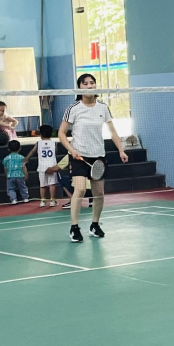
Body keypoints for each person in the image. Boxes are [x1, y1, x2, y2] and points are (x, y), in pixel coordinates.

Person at [58, 73, 128, 242]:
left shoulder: (103, 107)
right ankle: (74, 227)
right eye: (85, 83)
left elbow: (113, 132)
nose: (89, 86)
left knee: (99, 194)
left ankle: (95, 225)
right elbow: (61, 133)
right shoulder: (73, 108)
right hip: (79, 156)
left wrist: (121, 150)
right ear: (79, 88)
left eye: (92, 83)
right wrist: (71, 149)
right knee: (80, 189)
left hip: (98, 157)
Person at [27, 124, 63, 208]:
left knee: (42, 185)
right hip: (52, 166)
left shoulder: (38, 143)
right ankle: (52, 200)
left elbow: (32, 152)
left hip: (42, 167)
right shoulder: (54, 143)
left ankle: (43, 201)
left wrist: (26, 158)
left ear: (41, 134)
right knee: (52, 184)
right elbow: (56, 152)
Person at [2, 139, 30, 204]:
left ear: (8, 149)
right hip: (20, 175)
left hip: (10, 175)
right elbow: (23, 167)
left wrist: (6, 175)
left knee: (10, 189)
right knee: (23, 187)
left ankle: (13, 199)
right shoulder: (22, 158)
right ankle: (25, 198)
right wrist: (26, 174)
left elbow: (5, 168)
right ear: (19, 148)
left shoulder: (6, 159)